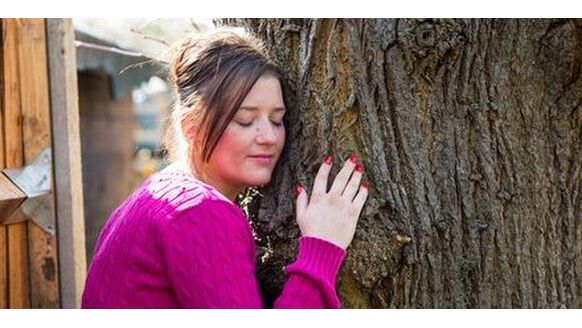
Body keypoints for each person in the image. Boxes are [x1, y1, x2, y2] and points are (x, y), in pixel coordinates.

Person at [81, 29, 369, 309]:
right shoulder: (198, 211)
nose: (268, 137)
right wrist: (321, 248)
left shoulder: (158, 194)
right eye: (246, 120)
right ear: (191, 127)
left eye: (277, 120)